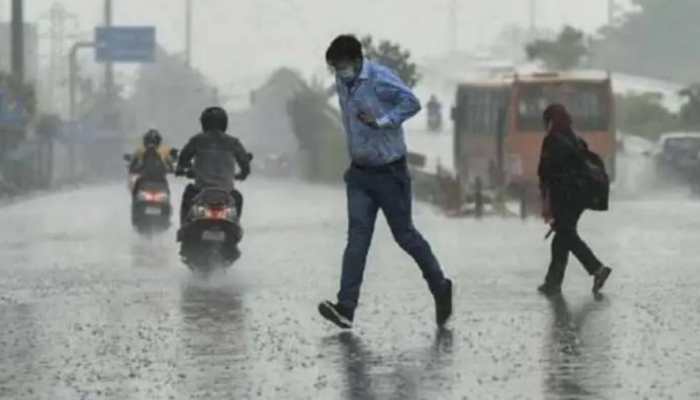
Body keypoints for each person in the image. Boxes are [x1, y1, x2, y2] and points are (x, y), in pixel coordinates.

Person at [318, 35, 453, 329]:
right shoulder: (343, 82)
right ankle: (346, 307)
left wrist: (382, 121)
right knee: (357, 239)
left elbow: (412, 103)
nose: (338, 72)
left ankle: (440, 287)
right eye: (334, 68)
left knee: (405, 236)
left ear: (356, 61)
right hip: (360, 174)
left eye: (341, 66)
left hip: (390, 172)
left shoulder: (380, 78)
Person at [537, 103, 612, 296]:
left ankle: (597, 268)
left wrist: (546, 202)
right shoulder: (576, 140)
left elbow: (545, 173)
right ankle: (552, 283)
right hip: (581, 196)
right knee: (562, 237)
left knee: (566, 234)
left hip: (564, 195)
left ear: (551, 120)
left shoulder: (552, 140)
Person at [176, 107, 251, 225]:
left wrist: (182, 169)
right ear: (224, 123)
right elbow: (245, 163)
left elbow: (183, 159)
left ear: (204, 123)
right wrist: (243, 174)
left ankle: (184, 227)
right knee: (238, 198)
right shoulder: (233, 142)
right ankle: (235, 226)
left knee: (188, 196)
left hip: (199, 191)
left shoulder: (197, 140)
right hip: (227, 193)